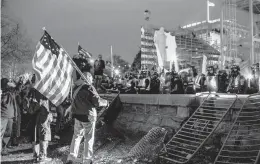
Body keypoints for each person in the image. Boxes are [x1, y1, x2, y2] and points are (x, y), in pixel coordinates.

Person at [66, 58, 108, 164]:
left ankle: (71, 157)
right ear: (88, 78)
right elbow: (97, 102)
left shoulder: (75, 88)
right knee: (88, 138)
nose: (92, 80)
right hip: (88, 116)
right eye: (91, 78)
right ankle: (87, 159)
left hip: (78, 116)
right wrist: (106, 103)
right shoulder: (89, 88)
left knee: (76, 136)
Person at [1, 78, 17, 155]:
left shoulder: (11, 93)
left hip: (10, 116)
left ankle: (3, 149)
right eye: (8, 84)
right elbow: (3, 102)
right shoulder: (2, 93)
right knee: (1, 133)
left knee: (8, 133)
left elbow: (17, 90)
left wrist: (20, 83)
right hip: (2, 116)